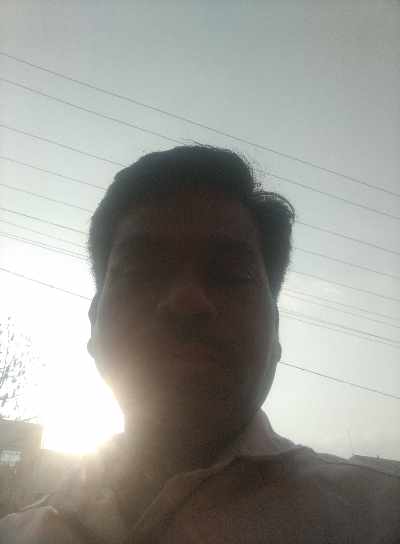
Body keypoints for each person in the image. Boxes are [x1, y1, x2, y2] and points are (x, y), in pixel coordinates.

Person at [0, 146, 399, 543]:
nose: (186, 301)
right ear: (93, 322)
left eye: (230, 274)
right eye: (141, 271)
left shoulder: (381, 517)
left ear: (276, 331)